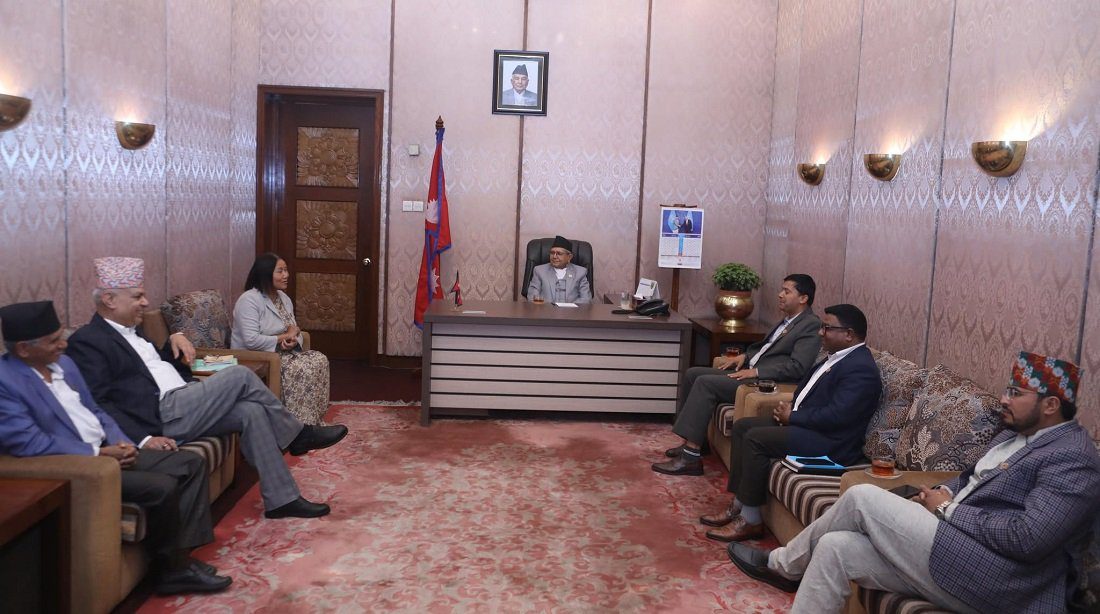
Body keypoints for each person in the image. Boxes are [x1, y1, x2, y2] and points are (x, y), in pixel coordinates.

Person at [728, 352, 1100, 614]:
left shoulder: (1074, 459)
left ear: (1051, 405)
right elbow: (970, 477)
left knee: (862, 497)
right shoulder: (1014, 433)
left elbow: (1028, 538)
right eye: (1007, 389)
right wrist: (946, 491)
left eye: (1016, 394)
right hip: (955, 547)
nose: (1003, 399)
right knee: (835, 547)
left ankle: (781, 564)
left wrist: (947, 508)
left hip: (998, 580)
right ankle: (789, 568)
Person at [66, 257, 348, 520]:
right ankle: (298, 434)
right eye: (138, 297)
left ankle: (282, 500)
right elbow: (99, 402)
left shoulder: (133, 329)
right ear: (109, 300)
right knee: (239, 375)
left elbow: (154, 370)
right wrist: (143, 439)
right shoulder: (89, 341)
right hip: (162, 413)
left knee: (251, 411)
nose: (145, 302)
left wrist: (173, 341)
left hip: (184, 400)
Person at [0, 301, 232, 595]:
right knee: (161, 486)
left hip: (108, 447)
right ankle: (171, 573)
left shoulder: (64, 364)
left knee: (190, 463)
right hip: (84, 464)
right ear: (23, 349)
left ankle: (180, 559)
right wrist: (98, 454)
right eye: (53, 341)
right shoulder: (5, 382)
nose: (63, 344)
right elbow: (28, 441)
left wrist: (122, 440)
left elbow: (96, 409)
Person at [697, 304, 880, 542]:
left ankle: (750, 520)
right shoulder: (837, 357)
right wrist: (792, 407)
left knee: (756, 439)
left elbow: (838, 416)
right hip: (811, 428)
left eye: (827, 328)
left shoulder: (861, 368)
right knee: (743, 427)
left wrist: (793, 417)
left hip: (832, 443)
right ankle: (740, 504)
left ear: (849, 334)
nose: (820, 332)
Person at [652, 274, 822, 477]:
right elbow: (767, 349)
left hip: (767, 383)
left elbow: (798, 367)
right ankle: (698, 441)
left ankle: (690, 458)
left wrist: (756, 371)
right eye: (781, 290)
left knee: (706, 383)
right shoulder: (789, 321)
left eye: (787, 291)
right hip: (751, 371)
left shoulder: (810, 325)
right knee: (693, 373)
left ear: (803, 298)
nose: (780, 295)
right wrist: (745, 356)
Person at [232, 253, 330, 425]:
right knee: (301, 368)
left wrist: (293, 339)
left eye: (286, 270)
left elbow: (294, 329)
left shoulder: (284, 298)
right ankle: (296, 424)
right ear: (265, 273)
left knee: (319, 360)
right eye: (280, 271)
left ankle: (315, 420)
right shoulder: (249, 300)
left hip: (282, 352)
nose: (286, 275)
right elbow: (251, 340)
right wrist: (284, 337)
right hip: (255, 355)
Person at [527, 235, 592, 304]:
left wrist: (568, 308)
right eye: (552, 253)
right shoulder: (539, 271)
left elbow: (586, 299)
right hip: (546, 310)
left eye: (559, 253)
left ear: (569, 257)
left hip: (572, 310)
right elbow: (532, 297)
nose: (554, 256)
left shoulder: (580, 272)